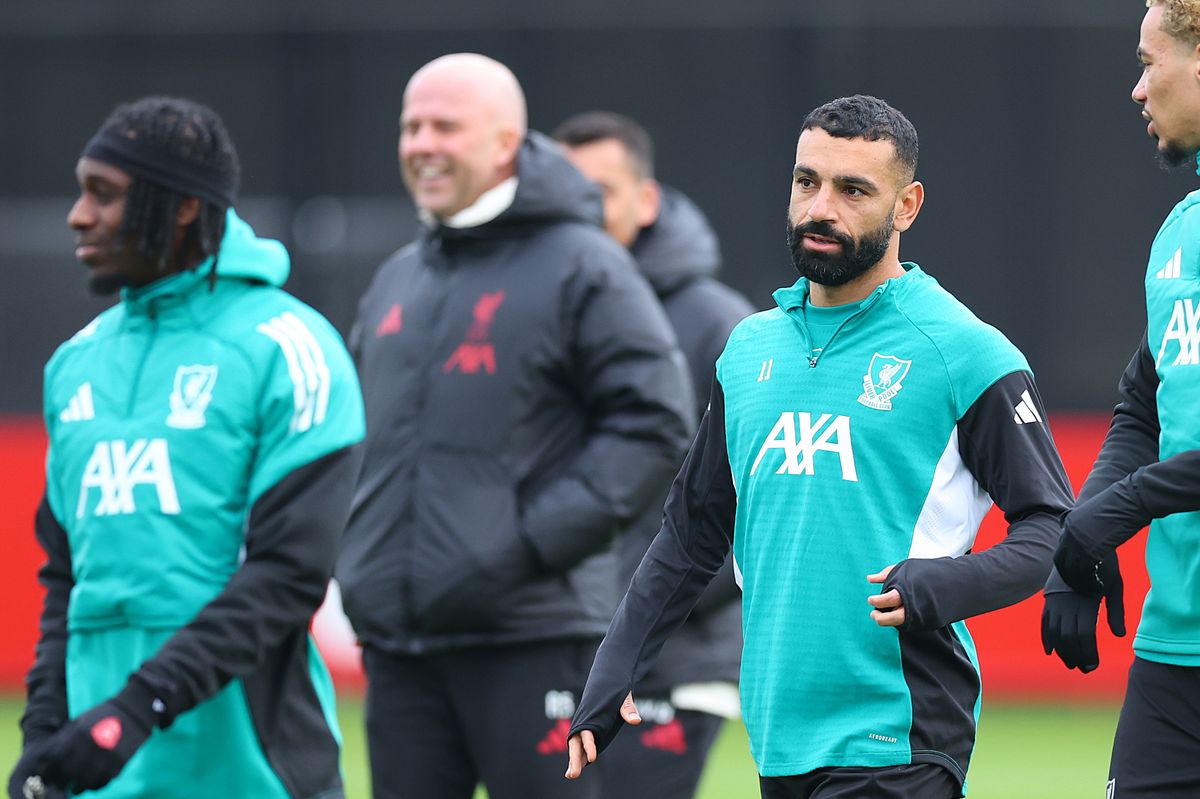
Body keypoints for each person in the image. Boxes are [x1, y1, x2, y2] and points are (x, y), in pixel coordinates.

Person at [565, 94, 1075, 799]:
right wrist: (615, 664)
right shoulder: (748, 348)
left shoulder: (965, 351)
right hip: (779, 737)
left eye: (853, 189)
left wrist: (946, 584)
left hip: (901, 736)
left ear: (908, 206)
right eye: (808, 181)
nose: (820, 208)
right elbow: (691, 533)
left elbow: (1054, 527)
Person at [335, 54, 694, 799]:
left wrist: (522, 547)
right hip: (401, 646)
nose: (422, 143)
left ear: (506, 142)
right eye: (410, 126)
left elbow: (656, 424)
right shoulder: (399, 275)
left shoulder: (585, 265)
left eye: (445, 125)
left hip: (533, 637)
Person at [5, 97, 365, 799]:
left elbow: (286, 578)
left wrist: (137, 710)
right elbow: (66, 578)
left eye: (104, 196)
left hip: (248, 773)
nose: (79, 216)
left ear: (181, 209)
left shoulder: (290, 349)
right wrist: (46, 723)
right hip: (101, 766)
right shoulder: (74, 364)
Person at [554, 110, 753, 799]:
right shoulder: (541, 308)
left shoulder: (718, 323)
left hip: (673, 653)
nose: (580, 211)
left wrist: (644, 605)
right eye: (566, 190)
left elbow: (753, 501)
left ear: (645, 200)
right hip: (563, 642)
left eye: (599, 191)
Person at [1040, 2, 1200, 795]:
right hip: (1174, 662)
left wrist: (1125, 505)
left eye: (1149, 61)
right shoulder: (1179, 232)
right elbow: (1142, 406)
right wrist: (1080, 540)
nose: (1138, 90)